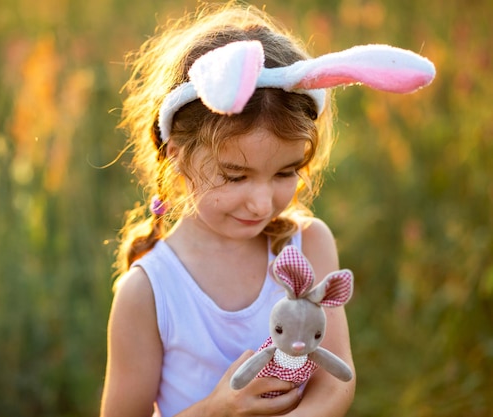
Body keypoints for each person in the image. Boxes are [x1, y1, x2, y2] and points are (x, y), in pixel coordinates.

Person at [100, 2, 435, 417]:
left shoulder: (309, 245)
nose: (262, 203)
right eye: (235, 176)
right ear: (177, 156)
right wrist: (216, 409)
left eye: (285, 172)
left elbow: (334, 383)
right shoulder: (149, 291)